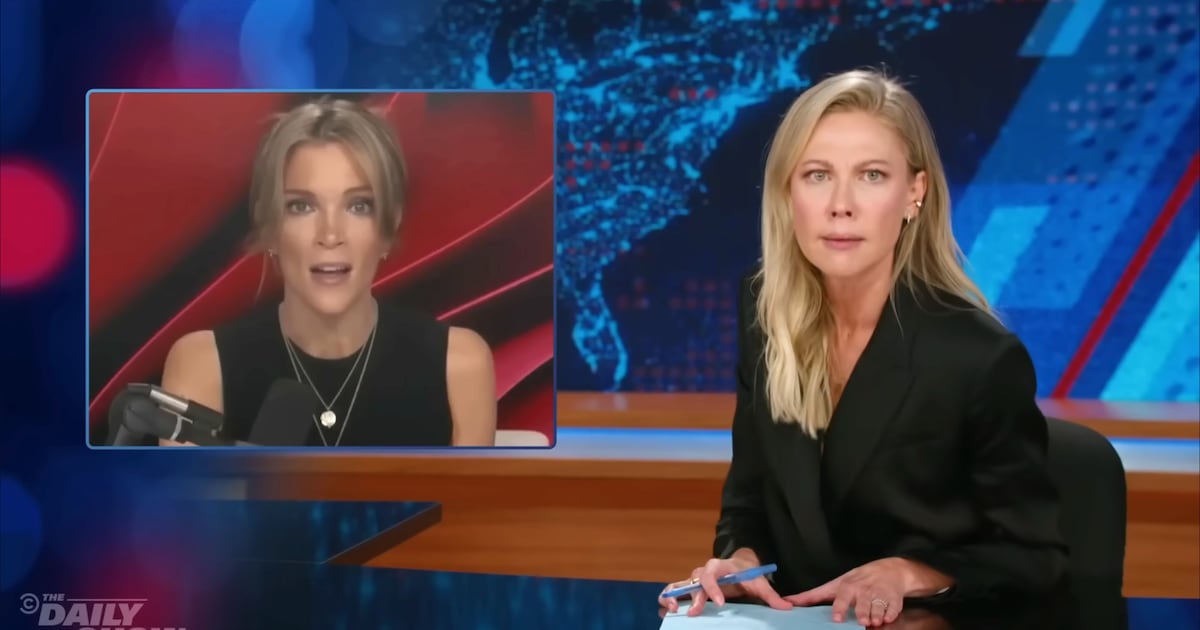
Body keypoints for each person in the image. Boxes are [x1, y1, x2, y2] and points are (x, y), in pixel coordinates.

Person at [659, 70, 1067, 626]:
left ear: (915, 192)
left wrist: (910, 573)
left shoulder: (978, 355)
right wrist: (740, 561)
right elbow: (750, 499)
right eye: (818, 175)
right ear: (787, 192)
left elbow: (1035, 557)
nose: (841, 205)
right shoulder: (764, 309)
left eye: (872, 175)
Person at [160, 97, 497, 447]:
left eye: (359, 205)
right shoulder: (203, 365)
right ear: (269, 226)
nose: (331, 235)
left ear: (388, 226)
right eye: (301, 206)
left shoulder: (458, 364)